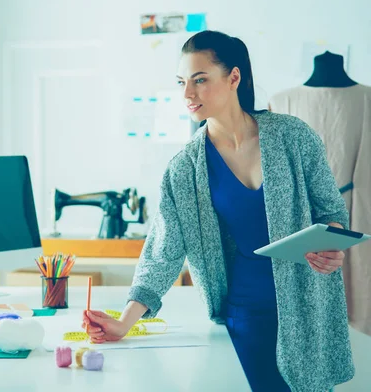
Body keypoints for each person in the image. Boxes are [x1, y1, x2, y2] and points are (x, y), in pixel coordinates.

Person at [82, 30, 355, 391]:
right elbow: (161, 254)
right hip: (243, 317)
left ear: (234, 78)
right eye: (182, 82)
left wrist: (331, 243)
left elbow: (331, 209)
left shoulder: (294, 137)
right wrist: (124, 321)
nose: (187, 94)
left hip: (307, 311)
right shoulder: (184, 168)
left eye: (200, 80)